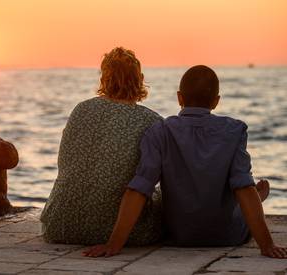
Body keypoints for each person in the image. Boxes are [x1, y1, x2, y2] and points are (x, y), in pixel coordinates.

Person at [83, 65, 287, 258]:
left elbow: (140, 188)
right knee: (245, 192)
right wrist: (268, 246)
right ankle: (258, 198)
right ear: (216, 101)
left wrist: (114, 244)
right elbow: (243, 187)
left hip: (179, 235)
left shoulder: (160, 132)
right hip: (228, 235)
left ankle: (256, 198)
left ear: (179, 97)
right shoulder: (234, 130)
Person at [40, 47, 163, 245]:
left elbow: (64, 163)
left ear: (104, 78)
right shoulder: (151, 121)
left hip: (59, 225)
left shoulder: (81, 109)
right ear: (140, 78)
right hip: (116, 230)